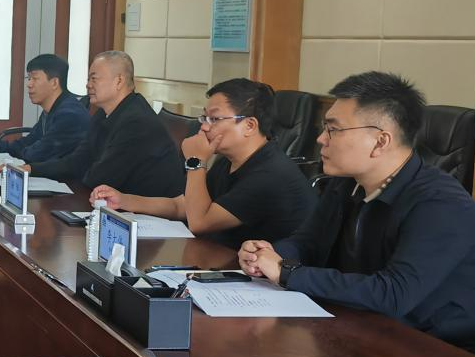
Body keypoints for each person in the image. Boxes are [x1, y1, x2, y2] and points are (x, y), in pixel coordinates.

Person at [239, 71, 475, 347]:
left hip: (446, 349)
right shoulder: (346, 182)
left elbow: (394, 294)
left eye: (333, 129)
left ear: (380, 141)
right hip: (369, 326)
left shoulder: (441, 204)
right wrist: (267, 255)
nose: (321, 139)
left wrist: (287, 272)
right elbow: (308, 242)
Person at [89, 78, 315, 248]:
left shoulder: (270, 174)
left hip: (268, 282)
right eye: (204, 118)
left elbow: (199, 222)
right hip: (227, 260)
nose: (204, 127)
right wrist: (123, 200)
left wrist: (196, 161)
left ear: (249, 126)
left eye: (214, 119)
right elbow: (183, 206)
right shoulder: (229, 161)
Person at [27, 50, 184, 196]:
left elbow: (99, 178)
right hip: (112, 203)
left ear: (119, 81)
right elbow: (77, 161)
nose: (88, 85)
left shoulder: (137, 122)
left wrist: (81, 169)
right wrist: (31, 169)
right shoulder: (103, 113)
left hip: (147, 211)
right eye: (88, 79)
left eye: (94, 79)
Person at [0, 53, 88, 164]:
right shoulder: (53, 109)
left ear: (54, 83)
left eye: (35, 79)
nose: (29, 84)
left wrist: (10, 157)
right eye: (29, 78)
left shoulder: (70, 115)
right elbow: (30, 141)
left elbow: (36, 154)